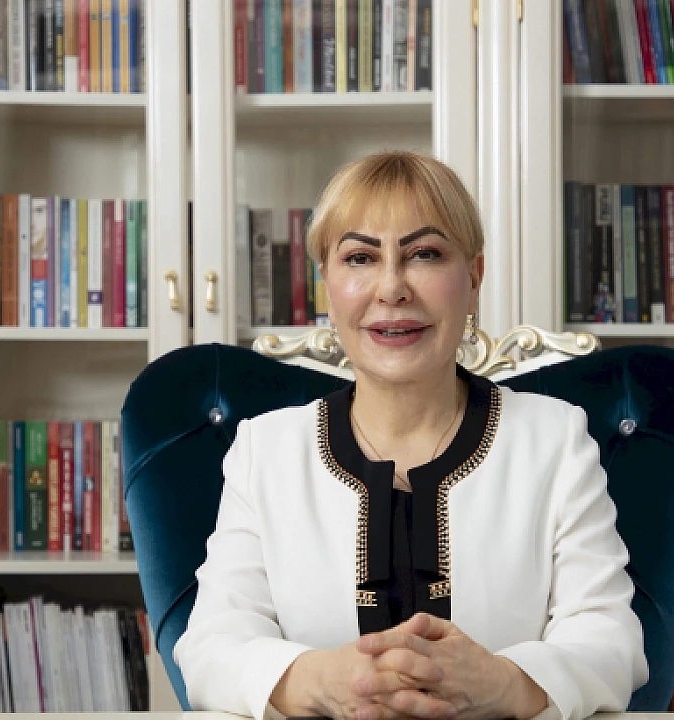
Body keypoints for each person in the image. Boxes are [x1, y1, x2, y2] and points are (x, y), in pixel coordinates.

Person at [173, 151, 648, 720]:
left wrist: (504, 682)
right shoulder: (266, 452)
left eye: (425, 254)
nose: (392, 288)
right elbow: (211, 648)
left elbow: (610, 642)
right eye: (360, 258)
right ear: (328, 287)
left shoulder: (555, 441)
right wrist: (323, 681)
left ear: (473, 280)